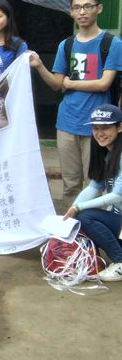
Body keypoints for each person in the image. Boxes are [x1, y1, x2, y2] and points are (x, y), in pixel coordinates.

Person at [31, 0, 122, 197]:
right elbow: (57, 84)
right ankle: (71, 218)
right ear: (71, 12)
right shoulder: (67, 45)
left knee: (96, 184)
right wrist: (39, 66)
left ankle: (92, 218)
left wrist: (70, 84)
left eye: (87, 6)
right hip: (67, 122)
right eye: (77, 8)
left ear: (98, 9)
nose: (82, 12)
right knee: (70, 185)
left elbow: (104, 83)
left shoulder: (112, 44)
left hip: (99, 124)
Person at [64, 104, 122, 282]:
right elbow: (94, 187)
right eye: (96, 128)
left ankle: (120, 261)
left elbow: (117, 196)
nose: (100, 133)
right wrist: (71, 211)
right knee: (79, 218)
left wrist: (78, 208)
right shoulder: (106, 153)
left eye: (105, 128)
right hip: (118, 218)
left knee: (86, 216)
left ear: (120, 127)